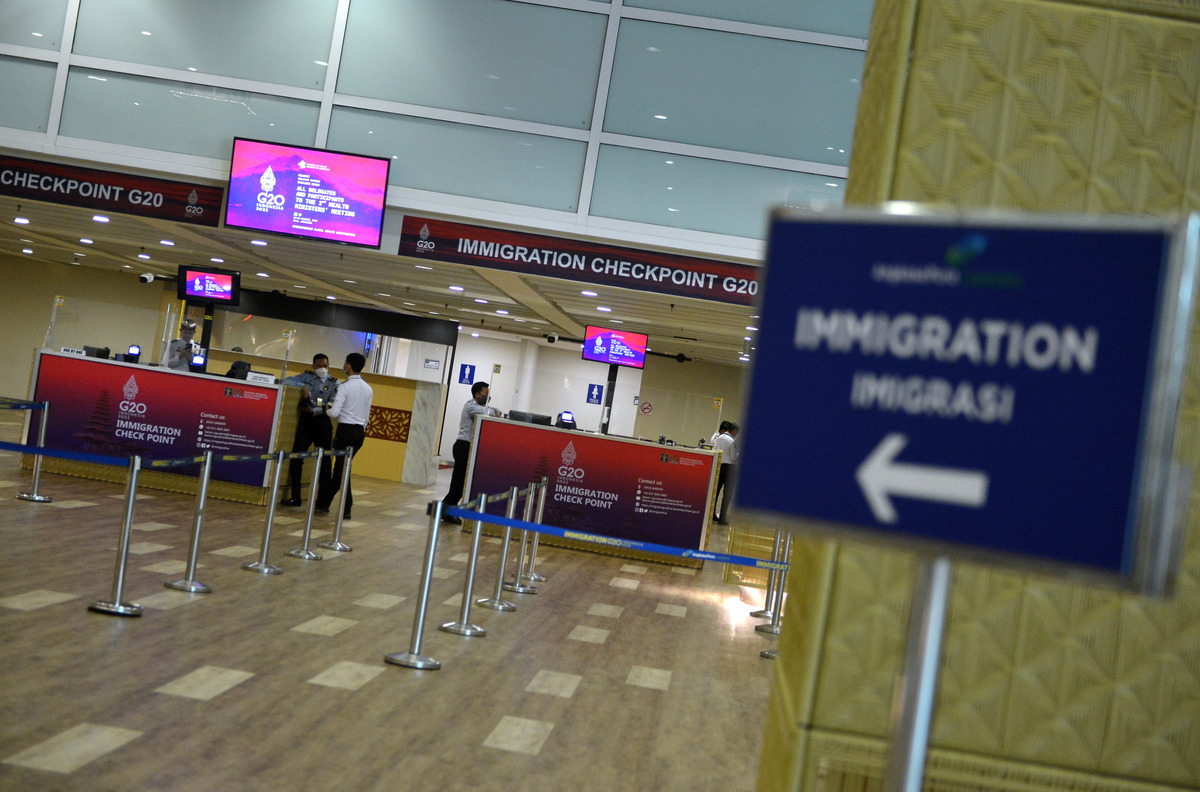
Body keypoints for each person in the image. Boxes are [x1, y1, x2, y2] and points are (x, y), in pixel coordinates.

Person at [316, 353, 372, 519]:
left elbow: (334, 413)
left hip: (345, 432)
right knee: (342, 469)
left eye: (345, 362)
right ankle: (324, 502)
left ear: (349, 365)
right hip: (359, 433)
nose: (344, 365)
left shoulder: (345, 387)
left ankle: (346, 507)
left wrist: (326, 408)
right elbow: (366, 417)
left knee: (341, 470)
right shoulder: (368, 388)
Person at [278, 354, 339, 507]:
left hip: (323, 423)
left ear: (329, 365)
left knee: (325, 462)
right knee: (297, 457)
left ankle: (323, 501)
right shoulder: (307, 377)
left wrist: (316, 411)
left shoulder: (334, 383)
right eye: (319, 366)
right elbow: (287, 381)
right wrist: (302, 386)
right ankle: (296, 496)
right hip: (306, 423)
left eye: (325, 365)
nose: (322, 369)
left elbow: (330, 405)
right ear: (313, 366)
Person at [440, 380, 495, 525]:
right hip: (463, 447)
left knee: (460, 483)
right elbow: (490, 411)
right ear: (477, 395)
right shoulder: (471, 406)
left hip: (467, 447)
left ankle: (447, 510)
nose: (488, 397)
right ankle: (445, 510)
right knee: (458, 483)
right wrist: (497, 411)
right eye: (485, 394)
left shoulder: (477, 406)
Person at [712, 422, 738, 525]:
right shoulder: (732, 441)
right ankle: (722, 518)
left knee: (716, 492)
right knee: (727, 495)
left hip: (718, 466)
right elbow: (733, 457)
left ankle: (712, 514)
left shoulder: (718, 438)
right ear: (734, 431)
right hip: (729, 468)